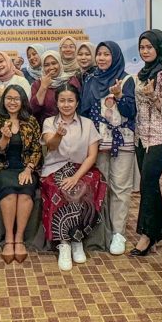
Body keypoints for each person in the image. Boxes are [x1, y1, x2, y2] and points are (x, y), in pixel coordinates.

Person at [41, 85, 105, 271]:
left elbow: (92, 155)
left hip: (82, 169)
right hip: (55, 168)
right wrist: (58, 136)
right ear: (57, 102)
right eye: (62, 100)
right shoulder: (49, 122)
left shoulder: (87, 123)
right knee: (62, 189)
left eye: (70, 100)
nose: (66, 104)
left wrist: (76, 177)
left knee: (82, 189)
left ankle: (77, 241)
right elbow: (51, 147)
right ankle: (64, 244)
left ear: (77, 103)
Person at [81, 41, 136, 256]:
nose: (102, 58)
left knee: (120, 188)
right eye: (100, 54)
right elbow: (84, 112)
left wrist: (120, 96)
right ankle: (101, 231)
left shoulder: (127, 80)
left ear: (115, 56)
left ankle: (119, 233)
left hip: (122, 141)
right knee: (100, 186)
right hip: (97, 142)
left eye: (107, 54)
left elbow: (131, 112)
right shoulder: (91, 80)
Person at [132, 29, 162, 256]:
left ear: (159, 48)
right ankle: (160, 228)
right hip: (141, 136)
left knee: (147, 184)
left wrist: (152, 96)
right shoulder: (141, 73)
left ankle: (147, 234)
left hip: (161, 137)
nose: (145, 51)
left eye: (149, 47)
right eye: (142, 47)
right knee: (150, 184)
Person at [0, 85, 42, 263]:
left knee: (25, 191)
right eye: (9, 98)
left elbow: (36, 149)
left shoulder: (31, 121)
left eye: (16, 98)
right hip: (1, 169)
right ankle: (9, 238)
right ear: (4, 101)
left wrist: (28, 169)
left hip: (26, 168)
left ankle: (19, 238)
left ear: (22, 101)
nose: (12, 102)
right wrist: (4, 138)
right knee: (10, 191)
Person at [30, 50, 80, 126]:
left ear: (60, 63)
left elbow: (79, 106)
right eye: (47, 65)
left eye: (54, 63)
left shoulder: (71, 80)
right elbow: (33, 110)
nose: (51, 67)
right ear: (43, 67)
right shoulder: (37, 84)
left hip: (72, 125)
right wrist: (43, 87)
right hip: (47, 127)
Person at [0, 51, 30, 122]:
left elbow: (26, 107)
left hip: (19, 126)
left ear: (8, 62)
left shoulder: (21, 81)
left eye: (1, 61)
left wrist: (4, 96)